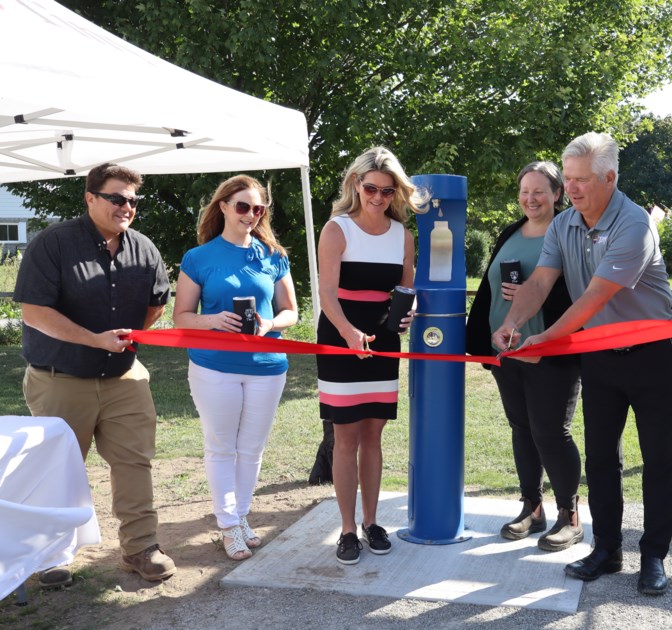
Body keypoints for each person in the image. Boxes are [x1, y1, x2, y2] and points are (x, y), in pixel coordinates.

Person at [492, 132, 672, 595]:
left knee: (659, 461)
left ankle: (654, 556)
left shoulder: (634, 224)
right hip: (598, 355)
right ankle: (607, 549)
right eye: (569, 179)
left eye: (581, 180)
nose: (571, 189)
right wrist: (513, 324)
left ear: (610, 177)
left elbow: (595, 298)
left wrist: (543, 337)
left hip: (652, 355)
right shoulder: (563, 225)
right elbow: (539, 282)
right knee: (600, 459)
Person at [13, 162, 176, 583]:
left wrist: (123, 340)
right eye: (117, 198)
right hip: (60, 379)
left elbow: (156, 304)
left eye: (133, 200)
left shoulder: (144, 247)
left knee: (134, 463)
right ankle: (51, 554)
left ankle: (141, 548)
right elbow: (34, 312)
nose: (127, 207)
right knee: (59, 468)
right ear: (90, 198)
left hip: (125, 379)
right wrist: (95, 339)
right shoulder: (53, 243)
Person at [172, 175, 298, 561]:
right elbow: (181, 317)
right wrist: (213, 321)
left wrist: (269, 323)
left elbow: (291, 312)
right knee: (222, 447)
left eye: (258, 208)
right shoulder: (198, 258)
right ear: (223, 206)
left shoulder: (273, 255)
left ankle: (240, 517)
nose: (251, 214)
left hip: (267, 366)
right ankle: (227, 524)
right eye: (243, 206)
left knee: (252, 449)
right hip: (214, 367)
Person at [316, 146, 426, 565]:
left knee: (374, 435)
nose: (378, 197)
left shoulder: (404, 236)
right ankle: (346, 530)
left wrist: (408, 314)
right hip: (341, 337)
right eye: (371, 188)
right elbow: (327, 294)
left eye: (387, 190)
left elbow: (405, 291)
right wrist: (348, 333)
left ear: (396, 192)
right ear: (356, 186)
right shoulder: (336, 229)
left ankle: (371, 521)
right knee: (345, 436)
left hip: (383, 341)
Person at [466, 161, 583, 551]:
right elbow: (490, 287)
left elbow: (583, 291)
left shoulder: (569, 231)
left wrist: (539, 293)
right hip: (508, 351)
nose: (530, 198)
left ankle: (570, 516)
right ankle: (532, 509)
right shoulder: (510, 233)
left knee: (551, 432)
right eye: (524, 191)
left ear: (557, 195)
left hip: (551, 349)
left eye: (539, 191)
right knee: (522, 430)